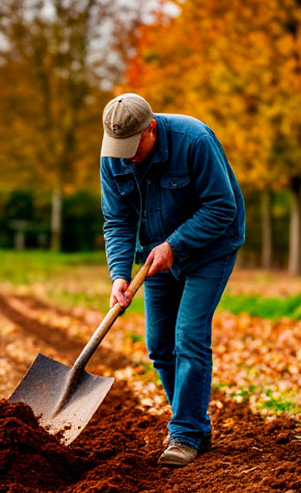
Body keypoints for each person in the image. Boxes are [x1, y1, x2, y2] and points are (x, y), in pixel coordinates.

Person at [99, 93, 245, 468]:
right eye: (119, 148)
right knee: (160, 345)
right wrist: (119, 273)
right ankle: (196, 423)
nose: (126, 156)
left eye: (133, 147)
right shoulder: (113, 157)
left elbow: (222, 207)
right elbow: (117, 220)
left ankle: (184, 434)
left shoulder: (194, 141)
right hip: (156, 256)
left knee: (189, 336)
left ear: (151, 128)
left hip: (210, 248)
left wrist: (175, 246)